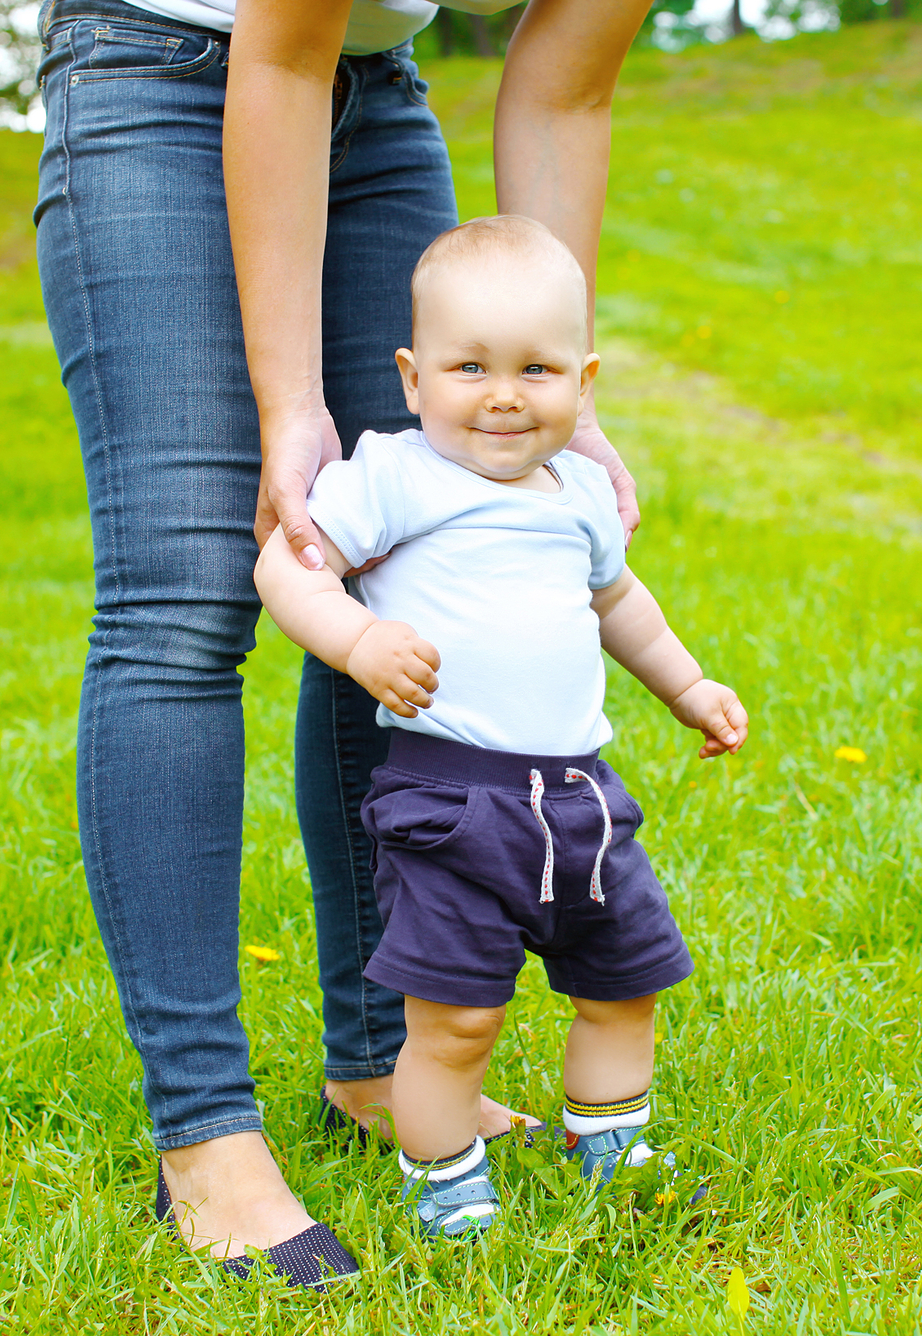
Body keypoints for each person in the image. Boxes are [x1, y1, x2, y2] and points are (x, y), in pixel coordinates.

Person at [33, 0, 653, 1287]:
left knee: (394, 587)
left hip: (376, 97)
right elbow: (278, 51)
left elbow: (562, 88)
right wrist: (292, 404)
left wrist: (560, 397)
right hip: (164, 75)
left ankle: (378, 1062)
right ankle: (203, 1133)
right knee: (192, 593)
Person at [256, 215, 749, 1238]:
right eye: (468, 366)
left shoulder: (574, 492)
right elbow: (283, 566)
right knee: (456, 1017)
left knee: (622, 987)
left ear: (584, 380)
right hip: (450, 800)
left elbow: (618, 605)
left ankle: (608, 1143)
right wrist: (354, 641)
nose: (502, 395)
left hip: (581, 799)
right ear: (410, 376)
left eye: (536, 368)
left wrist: (687, 685)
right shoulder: (393, 474)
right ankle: (444, 1180)